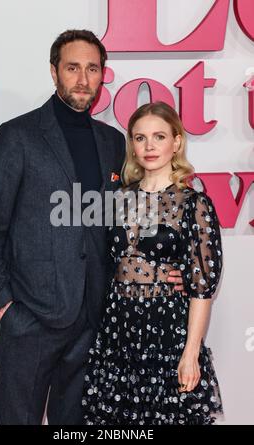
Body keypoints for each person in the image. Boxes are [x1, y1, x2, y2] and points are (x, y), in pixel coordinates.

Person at [0, 30, 184, 425]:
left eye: (92, 69)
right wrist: (6, 307)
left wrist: (164, 269)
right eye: (73, 68)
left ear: (103, 75)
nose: (83, 80)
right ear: (54, 73)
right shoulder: (17, 137)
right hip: (30, 318)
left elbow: (125, 225)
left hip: (92, 319)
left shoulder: (111, 142)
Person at [82, 102, 223, 425]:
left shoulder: (194, 204)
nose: (149, 146)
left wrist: (190, 353)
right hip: (116, 335)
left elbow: (203, 285)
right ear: (131, 144)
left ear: (176, 142)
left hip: (167, 333)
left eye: (159, 136)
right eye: (139, 137)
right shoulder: (117, 200)